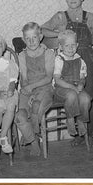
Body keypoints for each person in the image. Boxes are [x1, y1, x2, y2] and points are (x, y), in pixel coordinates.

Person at [41, 0, 93, 139]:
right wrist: (60, 33)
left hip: (86, 60)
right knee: (71, 94)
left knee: (89, 95)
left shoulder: (91, 17)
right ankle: (75, 130)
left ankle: (89, 135)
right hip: (66, 62)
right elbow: (42, 30)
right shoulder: (60, 16)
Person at [15, 22, 54, 156]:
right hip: (27, 89)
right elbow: (24, 79)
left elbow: (48, 78)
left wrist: (32, 88)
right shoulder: (21, 56)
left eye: (34, 37)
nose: (31, 41)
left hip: (45, 89)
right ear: (24, 40)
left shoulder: (48, 53)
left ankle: (30, 137)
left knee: (36, 106)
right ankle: (33, 141)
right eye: (28, 38)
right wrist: (29, 91)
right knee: (20, 116)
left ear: (41, 37)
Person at [53, 30, 91, 147]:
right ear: (61, 47)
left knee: (86, 98)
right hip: (61, 88)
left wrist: (81, 84)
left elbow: (82, 77)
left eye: (73, 45)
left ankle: (81, 120)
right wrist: (72, 87)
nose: (70, 48)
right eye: (67, 46)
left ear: (77, 45)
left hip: (75, 86)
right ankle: (70, 118)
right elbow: (58, 79)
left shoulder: (80, 60)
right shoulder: (59, 59)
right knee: (72, 95)